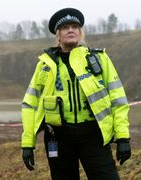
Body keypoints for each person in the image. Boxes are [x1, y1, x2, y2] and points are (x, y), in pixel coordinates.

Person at [21, 7, 131, 179]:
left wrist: (123, 138)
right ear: (58, 35)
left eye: (75, 26)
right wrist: (27, 144)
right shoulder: (44, 65)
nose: (70, 30)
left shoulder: (99, 59)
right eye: (65, 27)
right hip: (57, 137)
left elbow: (118, 99)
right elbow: (30, 104)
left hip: (94, 136)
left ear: (81, 32)